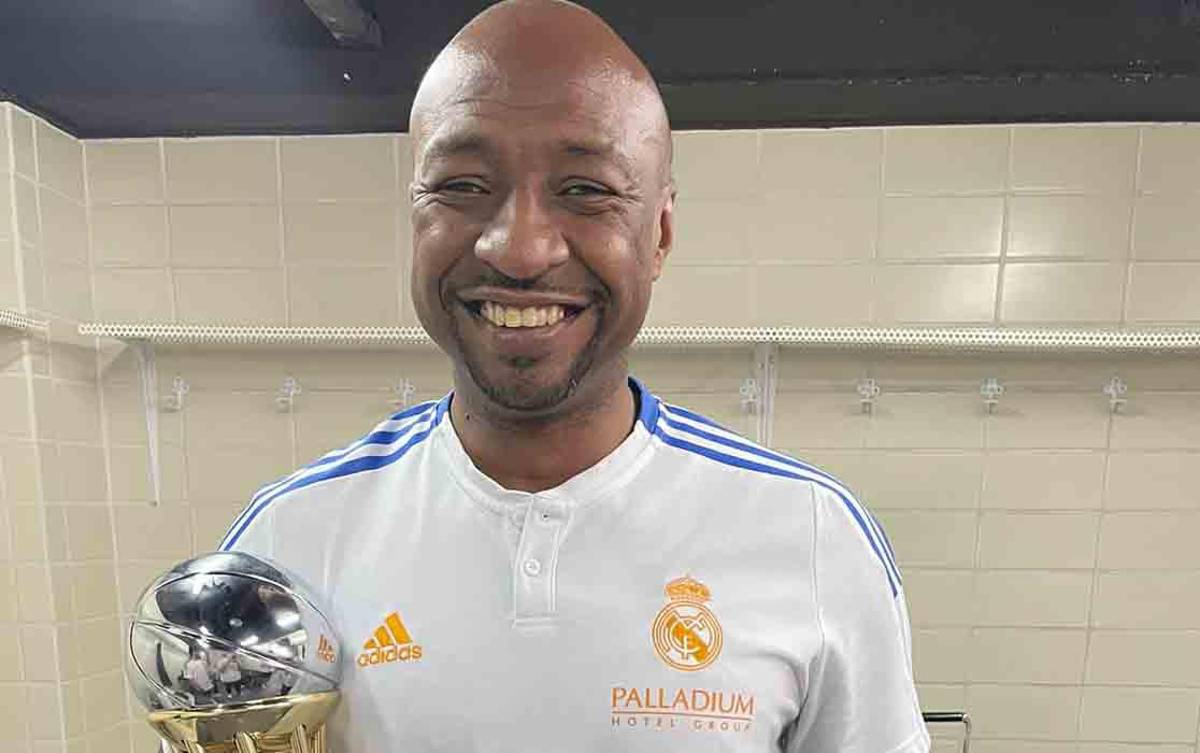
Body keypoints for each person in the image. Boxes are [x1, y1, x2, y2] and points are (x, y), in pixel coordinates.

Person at [221, 1, 928, 750]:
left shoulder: (811, 535)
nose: (519, 249)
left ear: (658, 234)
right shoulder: (286, 542)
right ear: (414, 214)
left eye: (584, 189)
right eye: (462, 184)